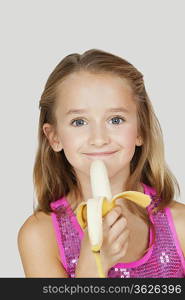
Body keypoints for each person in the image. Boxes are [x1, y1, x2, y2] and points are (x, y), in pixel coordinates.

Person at [17, 49, 185, 278]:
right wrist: (91, 267)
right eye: (79, 122)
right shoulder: (40, 236)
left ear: (140, 130)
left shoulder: (179, 225)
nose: (99, 139)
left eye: (116, 120)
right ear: (54, 137)